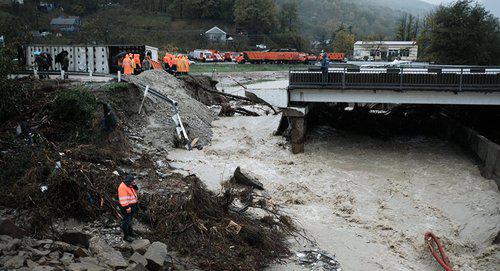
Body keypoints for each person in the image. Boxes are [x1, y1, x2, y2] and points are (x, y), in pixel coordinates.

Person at [118, 174, 139, 242]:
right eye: (132, 181)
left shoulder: (130, 185)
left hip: (133, 205)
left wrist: (135, 185)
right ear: (129, 181)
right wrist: (127, 207)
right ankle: (126, 236)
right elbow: (123, 200)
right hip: (127, 207)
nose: (134, 182)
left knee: (130, 220)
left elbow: (135, 192)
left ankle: (131, 232)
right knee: (126, 221)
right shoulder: (122, 187)